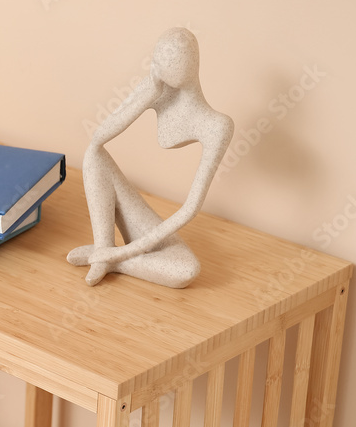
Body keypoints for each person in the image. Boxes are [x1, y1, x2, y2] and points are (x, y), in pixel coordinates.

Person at [67, 27, 234, 288]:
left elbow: (190, 208)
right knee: (94, 155)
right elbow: (98, 140)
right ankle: (103, 248)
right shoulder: (157, 89)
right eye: (157, 59)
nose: (159, 66)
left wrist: (121, 253)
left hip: (150, 234)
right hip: (126, 227)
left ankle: (108, 259)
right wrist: (148, 91)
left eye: (169, 61)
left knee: (186, 271)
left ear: (190, 64)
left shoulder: (217, 126)